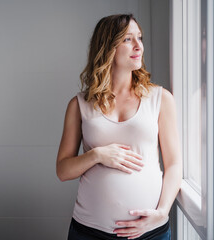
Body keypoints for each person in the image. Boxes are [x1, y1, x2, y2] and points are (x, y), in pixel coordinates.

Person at [56, 14, 182, 240]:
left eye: (139, 38)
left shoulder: (160, 99)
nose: (138, 46)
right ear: (107, 47)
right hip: (89, 232)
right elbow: (63, 171)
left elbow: (174, 165)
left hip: (149, 232)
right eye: (127, 39)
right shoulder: (79, 105)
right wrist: (97, 155)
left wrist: (162, 213)